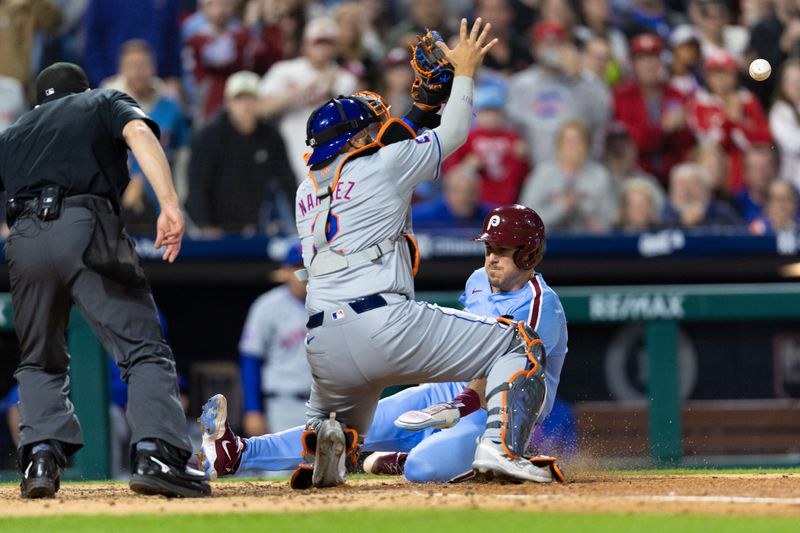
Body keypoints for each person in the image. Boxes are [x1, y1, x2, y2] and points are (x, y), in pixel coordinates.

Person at [265, 19, 555, 488]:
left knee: (345, 426)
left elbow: (384, 150)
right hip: (384, 324)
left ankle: (328, 442)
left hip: (322, 343)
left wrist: (420, 108)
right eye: (370, 127)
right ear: (357, 141)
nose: (380, 129)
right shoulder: (383, 163)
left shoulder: (306, 189)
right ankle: (499, 447)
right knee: (518, 343)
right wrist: (463, 75)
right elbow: (452, 133)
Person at [196, 205, 569, 484]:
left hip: (492, 413)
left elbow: (511, 372)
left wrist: (458, 406)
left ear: (529, 254)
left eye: (503, 251)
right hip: (447, 393)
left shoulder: (541, 305)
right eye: (489, 248)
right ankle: (239, 453)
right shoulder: (477, 280)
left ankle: (505, 459)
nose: (491, 258)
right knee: (341, 427)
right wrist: (434, 392)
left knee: (423, 469)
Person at [0, 62, 209, 498]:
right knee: (143, 348)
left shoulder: (14, 132)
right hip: (85, 224)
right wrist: (169, 202)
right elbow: (138, 134)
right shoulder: (102, 100)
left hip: (23, 239)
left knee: (39, 358)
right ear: (84, 88)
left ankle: (38, 456)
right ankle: (157, 454)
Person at [186, 71, 296, 236]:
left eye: (251, 98)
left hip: (252, 223)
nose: (245, 105)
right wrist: (206, 225)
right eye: (239, 99)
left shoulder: (271, 137)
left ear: (259, 101)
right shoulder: (209, 135)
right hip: (208, 225)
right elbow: (196, 184)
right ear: (228, 102)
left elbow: (288, 182)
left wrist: (299, 223)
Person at [102, 40, 190, 234]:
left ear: (153, 67)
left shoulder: (170, 105)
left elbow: (183, 152)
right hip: (117, 199)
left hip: (161, 196)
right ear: (121, 70)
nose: (137, 72)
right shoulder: (107, 106)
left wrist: (180, 195)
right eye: (131, 66)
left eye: (142, 65)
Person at [258, 17, 358, 183]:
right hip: (286, 161)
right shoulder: (285, 70)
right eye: (318, 43)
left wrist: (332, 94)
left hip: (332, 166)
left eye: (329, 43)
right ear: (306, 45)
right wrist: (304, 91)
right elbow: (262, 108)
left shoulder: (346, 80)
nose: (323, 49)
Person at [507, 21, 611, 166]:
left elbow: (601, 113)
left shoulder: (584, 79)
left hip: (581, 166)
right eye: (545, 43)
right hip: (535, 169)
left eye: (556, 43)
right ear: (535, 48)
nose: (551, 49)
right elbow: (510, 124)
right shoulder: (521, 83)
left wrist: (578, 77)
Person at [239, 244, 310, 437]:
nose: (303, 272)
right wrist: (252, 410)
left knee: (327, 468)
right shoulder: (267, 306)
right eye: (297, 266)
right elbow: (250, 359)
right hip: (282, 406)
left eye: (308, 265)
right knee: (280, 468)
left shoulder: (331, 304)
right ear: (285, 271)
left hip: (326, 406)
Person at [613, 33, 695, 184]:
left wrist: (681, 129)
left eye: (653, 57)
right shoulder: (622, 96)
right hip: (634, 173)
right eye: (642, 59)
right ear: (633, 64)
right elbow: (632, 144)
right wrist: (662, 129)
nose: (649, 64)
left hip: (672, 175)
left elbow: (687, 143)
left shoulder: (675, 94)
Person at [687, 49, 771, 192]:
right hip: (715, 171)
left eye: (725, 73)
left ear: (735, 75)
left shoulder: (748, 100)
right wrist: (730, 119)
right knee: (711, 158)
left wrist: (738, 123)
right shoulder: (699, 103)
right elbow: (710, 142)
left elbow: (765, 139)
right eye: (716, 73)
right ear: (708, 76)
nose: (721, 79)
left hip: (745, 168)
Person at [519, 119, 615, 233]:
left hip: (588, 242)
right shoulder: (543, 174)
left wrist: (596, 222)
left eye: (578, 141)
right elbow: (526, 218)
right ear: (558, 145)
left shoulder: (599, 176)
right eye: (568, 141)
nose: (573, 147)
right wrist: (560, 207)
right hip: (550, 242)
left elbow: (609, 216)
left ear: (587, 146)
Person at [442, 83, 530, 207]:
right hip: (476, 202)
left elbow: (522, 175)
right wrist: (466, 167)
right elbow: (450, 173)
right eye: (486, 112)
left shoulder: (513, 138)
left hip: (508, 197)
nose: (491, 117)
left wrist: (522, 159)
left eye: (496, 112)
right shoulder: (466, 137)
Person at [661, 162, 741, 228]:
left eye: (693, 184)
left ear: (706, 189)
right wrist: (683, 224)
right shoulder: (663, 214)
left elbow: (739, 235)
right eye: (681, 185)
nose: (687, 191)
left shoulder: (722, 212)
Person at [769, 58, 800, 191]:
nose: (796, 86)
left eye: (799, 80)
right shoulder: (779, 111)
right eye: (790, 81)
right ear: (782, 84)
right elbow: (793, 144)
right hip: (792, 181)